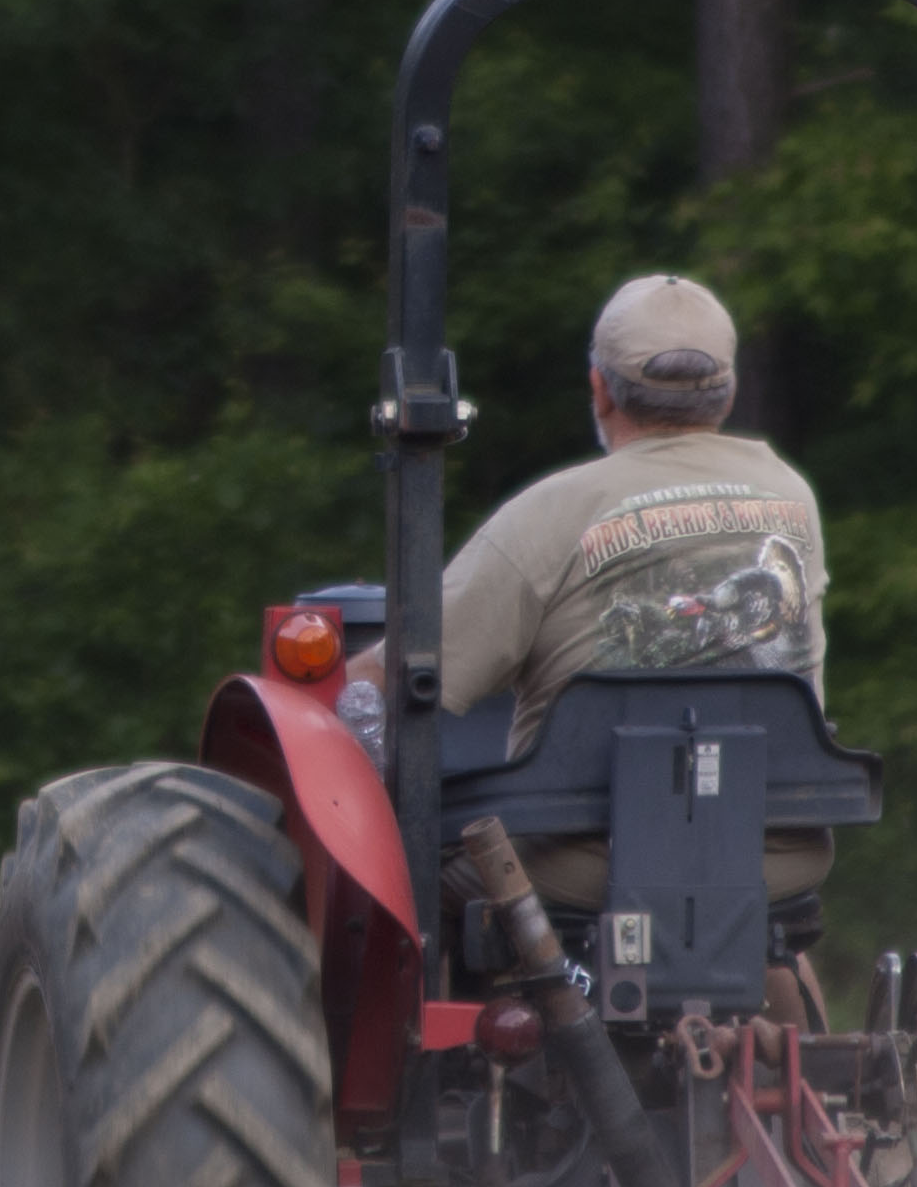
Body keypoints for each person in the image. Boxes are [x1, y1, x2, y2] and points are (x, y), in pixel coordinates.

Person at [356, 273, 832, 918]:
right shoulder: (791, 498)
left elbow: (402, 677)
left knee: (417, 878)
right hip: (766, 855)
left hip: (583, 865)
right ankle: (779, 1011)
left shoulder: (551, 513)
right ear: (728, 389)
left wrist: (336, 691)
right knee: (759, 930)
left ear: (599, 386)